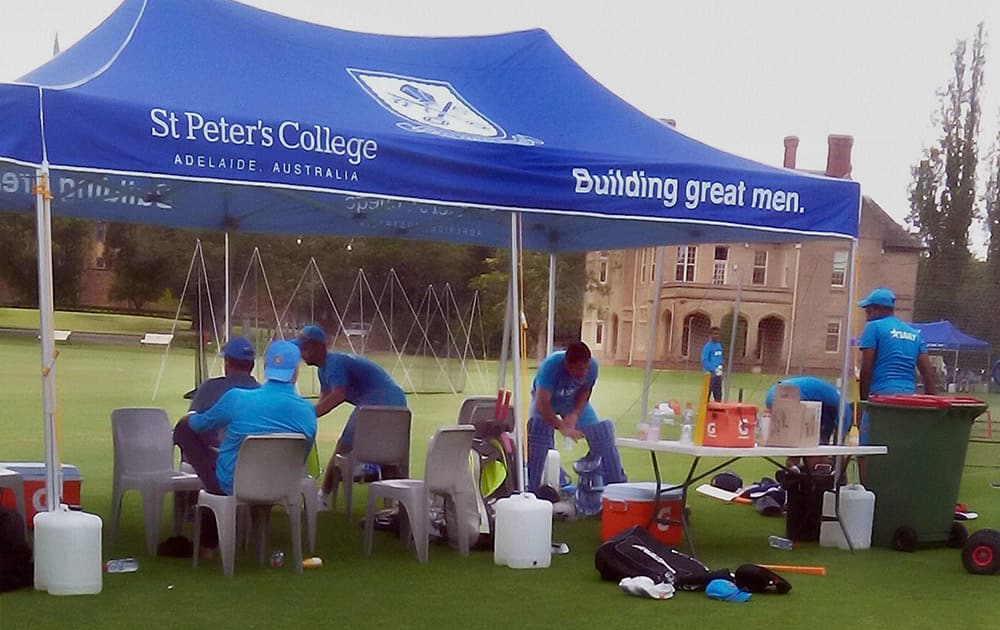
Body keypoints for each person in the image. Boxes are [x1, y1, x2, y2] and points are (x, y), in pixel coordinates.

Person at [176, 340, 317, 554]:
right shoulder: (308, 411)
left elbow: (198, 424)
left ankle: (205, 519)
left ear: (267, 368)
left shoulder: (237, 399)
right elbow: (301, 457)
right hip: (281, 483)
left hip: (234, 482)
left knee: (184, 428)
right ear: (296, 372)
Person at [294, 324, 408, 508]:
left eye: (304, 348)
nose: (301, 353)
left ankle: (321, 498)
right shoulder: (323, 369)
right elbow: (323, 404)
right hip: (395, 399)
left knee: (343, 447)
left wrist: (303, 417)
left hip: (379, 399)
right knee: (388, 453)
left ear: (318, 347)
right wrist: (305, 417)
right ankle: (392, 496)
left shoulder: (333, 363)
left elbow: (339, 395)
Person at [526, 341, 626, 492]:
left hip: (572, 400)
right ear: (567, 363)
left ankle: (615, 486)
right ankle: (538, 488)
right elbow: (542, 404)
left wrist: (574, 415)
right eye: (579, 368)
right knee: (538, 431)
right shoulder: (550, 367)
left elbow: (585, 392)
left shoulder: (592, 366)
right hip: (547, 400)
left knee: (600, 432)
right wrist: (561, 426)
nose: (583, 372)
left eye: (585, 367)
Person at [857, 287, 937, 441]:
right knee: (898, 444)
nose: (867, 317)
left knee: (867, 447)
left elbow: (866, 369)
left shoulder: (874, 327)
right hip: (908, 399)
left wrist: (864, 403)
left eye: (868, 311)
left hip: (881, 397)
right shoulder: (913, 333)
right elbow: (929, 375)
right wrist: (932, 407)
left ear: (879, 309)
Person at [764, 376, 849, 471]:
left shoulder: (833, 405)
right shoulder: (845, 413)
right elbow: (838, 449)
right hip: (792, 394)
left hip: (775, 392)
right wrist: (841, 476)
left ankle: (792, 471)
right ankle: (804, 474)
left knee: (797, 441)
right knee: (811, 446)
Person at [701, 327, 724, 402]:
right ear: (710, 335)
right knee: (707, 394)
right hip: (710, 375)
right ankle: (704, 411)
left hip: (718, 374)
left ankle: (717, 412)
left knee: (718, 395)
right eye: (715, 334)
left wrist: (720, 371)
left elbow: (719, 359)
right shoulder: (707, 347)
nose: (717, 336)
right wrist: (714, 369)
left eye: (718, 334)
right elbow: (705, 361)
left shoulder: (719, 345)